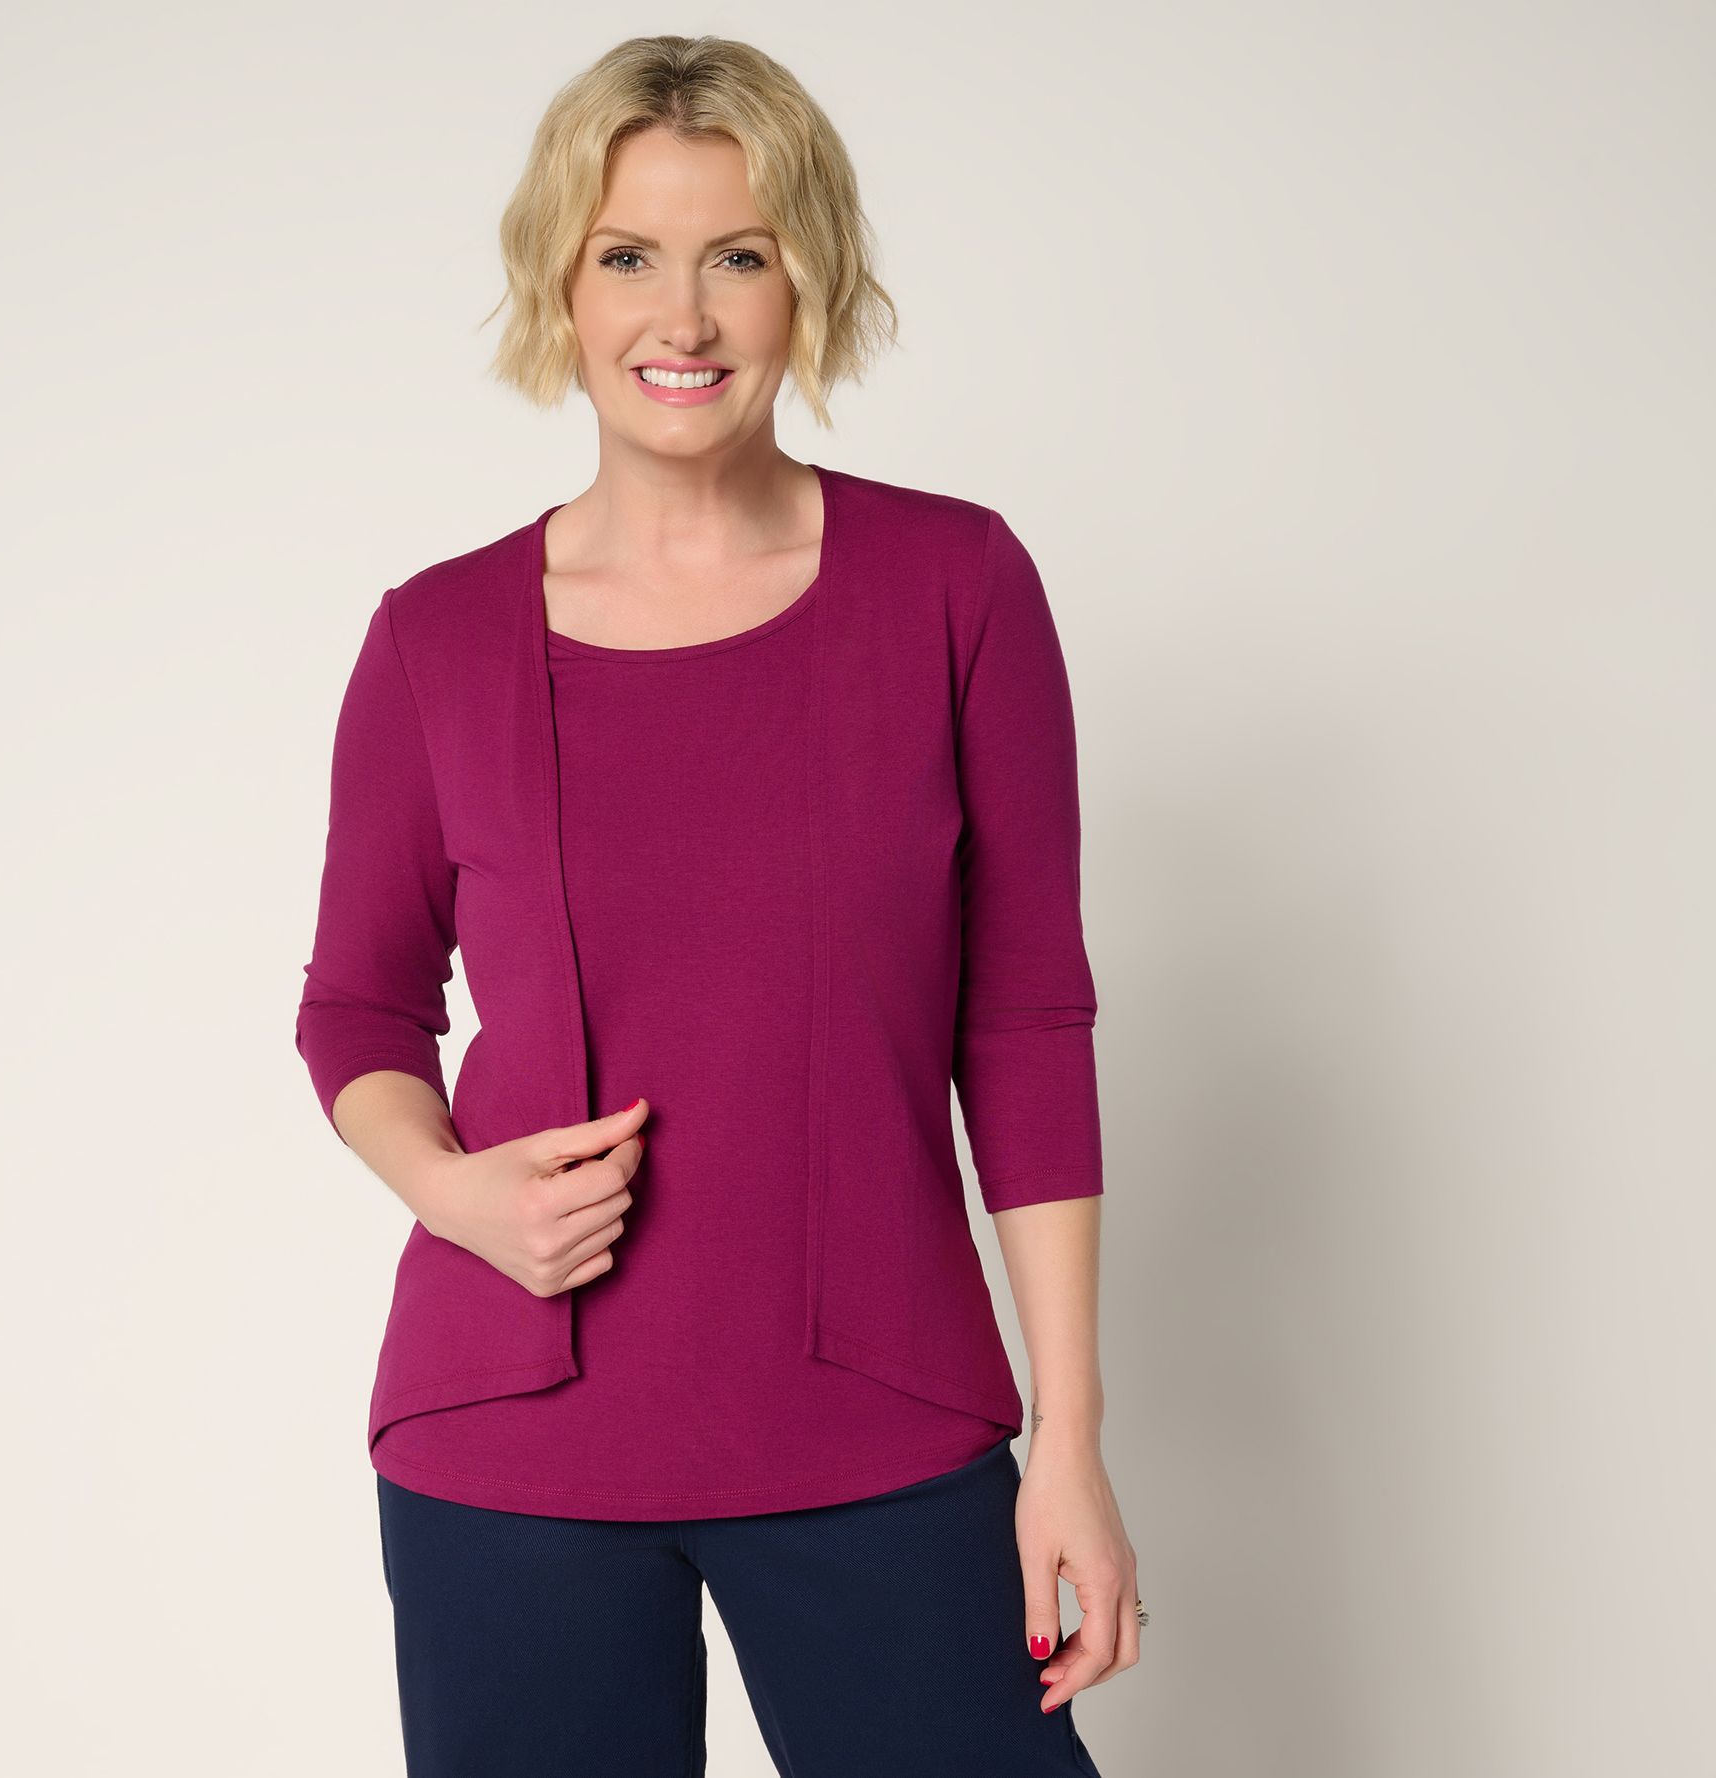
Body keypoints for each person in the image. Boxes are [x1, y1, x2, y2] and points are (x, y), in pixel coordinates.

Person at [294, 33, 1141, 1776]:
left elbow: (1026, 1022)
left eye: (737, 255)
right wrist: (454, 1191)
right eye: (629, 256)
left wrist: (1069, 1435)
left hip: (879, 1413)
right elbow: (360, 1009)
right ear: (561, 283)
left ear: (806, 278)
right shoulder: (435, 639)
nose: (681, 316)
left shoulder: (957, 586)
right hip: (508, 1438)